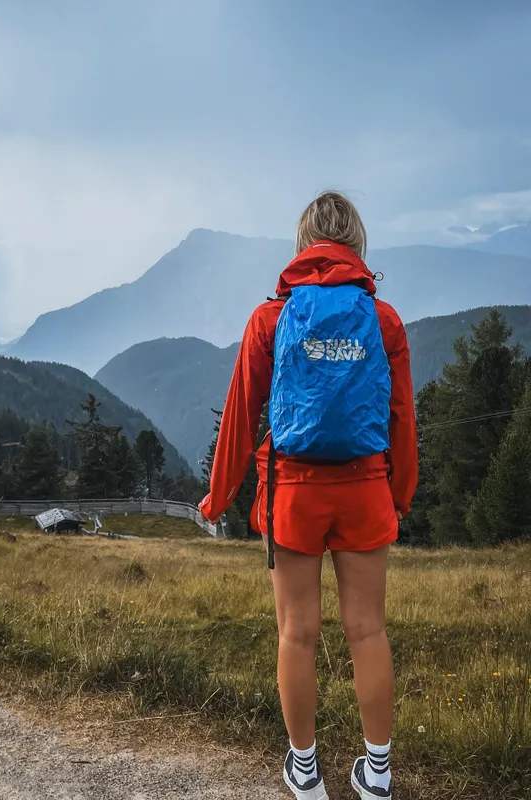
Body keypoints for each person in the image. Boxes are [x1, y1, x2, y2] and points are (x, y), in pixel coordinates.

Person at [199, 191, 418, 800]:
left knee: (296, 633)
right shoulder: (385, 320)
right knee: (368, 631)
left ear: (304, 246)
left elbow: (242, 413)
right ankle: (376, 776)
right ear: (356, 245)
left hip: (292, 491)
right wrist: (400, 491)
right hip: (366, 488)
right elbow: (402, 415)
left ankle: (305, 773)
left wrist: (218, 499)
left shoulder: (271, 318)